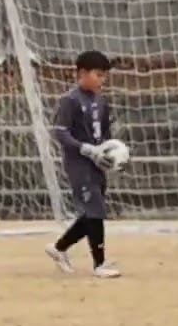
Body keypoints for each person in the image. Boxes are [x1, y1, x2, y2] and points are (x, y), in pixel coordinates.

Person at [45, 49, 122, 278]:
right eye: (98, 75)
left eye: (103, 76)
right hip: (79, 164)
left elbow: (106, 131)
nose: (102, 80)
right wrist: (85, 148)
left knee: (91, 213)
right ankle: (99, 264)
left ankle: (59, 248)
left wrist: (111, 151)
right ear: (82, 73)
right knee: (95, 209)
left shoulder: (101, 100)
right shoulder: (70, 100)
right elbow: (60, 133)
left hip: (97, 163)